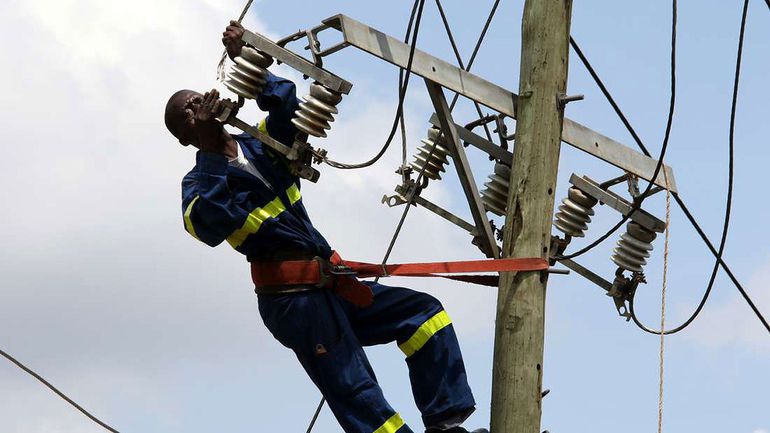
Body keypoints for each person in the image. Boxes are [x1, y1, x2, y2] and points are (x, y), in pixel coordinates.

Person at [163, 20, 486, 433]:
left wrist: (246, 58)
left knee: (424, 315)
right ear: (184, 138)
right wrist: (209, 151)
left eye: (197, 100)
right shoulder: (197, 185)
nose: (199, 108)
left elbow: (286, 104)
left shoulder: (261, 145)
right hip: (292, 299)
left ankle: (445, 423)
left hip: (329, 281)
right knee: (353, 384)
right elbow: (210, 224)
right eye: (188, 114)